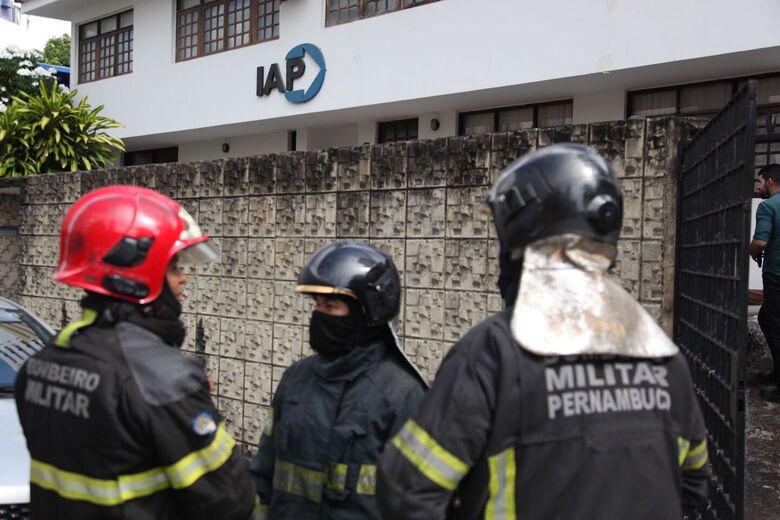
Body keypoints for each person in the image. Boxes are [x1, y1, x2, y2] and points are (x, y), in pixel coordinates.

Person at [377, 144, 711, 520]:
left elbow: (407, 490)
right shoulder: (663, 355)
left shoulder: (491, 354)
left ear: (519, 243)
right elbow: (694, 485)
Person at [14, 186, 259, 519]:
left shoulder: (38, 365)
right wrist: (192, 403)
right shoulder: (163, 379)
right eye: (174, 266)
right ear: (138, 272)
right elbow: (230, 501)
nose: (184, 279)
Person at [249, 241, 427, 519]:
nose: (319, 316)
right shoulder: (296, 379)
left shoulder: (401, 396)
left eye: (330, 306)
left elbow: (417, 504)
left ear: (365, 313)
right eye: (317, 306)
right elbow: (263, 474)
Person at [750, 163, 780, 403]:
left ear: (770, 181)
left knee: (774, 324)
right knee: (765, 318)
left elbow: (760, 243)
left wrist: (750, 252)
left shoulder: (768, 206)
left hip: (776, 275)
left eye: (760, 181)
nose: (759, 186)